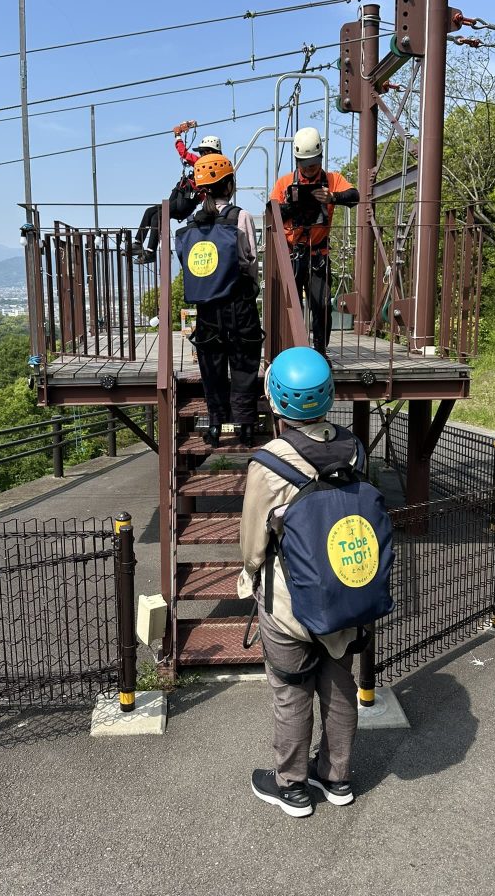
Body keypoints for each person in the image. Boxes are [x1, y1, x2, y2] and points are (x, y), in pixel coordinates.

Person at [239, 347, 362, 817]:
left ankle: (291, 786)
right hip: (347, 592)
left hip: (289, 601)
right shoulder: (354, 448)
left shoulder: (270, 463)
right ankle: (338, 778)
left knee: (291, 690)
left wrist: (250, 576)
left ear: (275, 402)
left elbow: (253, 543)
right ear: (329, 396)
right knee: (338, 685)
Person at [175, 154, 262, 448]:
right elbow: (250, 261)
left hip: (207, 308)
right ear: (229, 184)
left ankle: (216, 426)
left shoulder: (190, 224)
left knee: (212, 367)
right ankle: (246, 427)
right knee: (244, 365)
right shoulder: (241, 217)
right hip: (239, 304)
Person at [270, 127, 359, 357]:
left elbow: (354, 196)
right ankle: (295, 353)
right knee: (292, 309)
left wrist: (333, 197)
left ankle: (320, 352)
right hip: (292, 253)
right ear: (297, 161)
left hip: (318, 255)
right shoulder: (284, 184)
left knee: (322, 306)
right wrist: (294, 205)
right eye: (305, 164)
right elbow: (272, 211)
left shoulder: (331, 180)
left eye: (314, 163)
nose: (310, 169)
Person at [131, 123, 223, 264]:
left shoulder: (203, 164)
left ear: (209, 152)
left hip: (186, 202)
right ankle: (139, 244)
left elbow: (184, 154)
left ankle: (148, 251)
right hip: (184, 199)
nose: (201, 155)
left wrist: (177, 135)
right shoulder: (212, 166)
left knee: (158, 216)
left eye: (203, 152)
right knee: (151, 213)